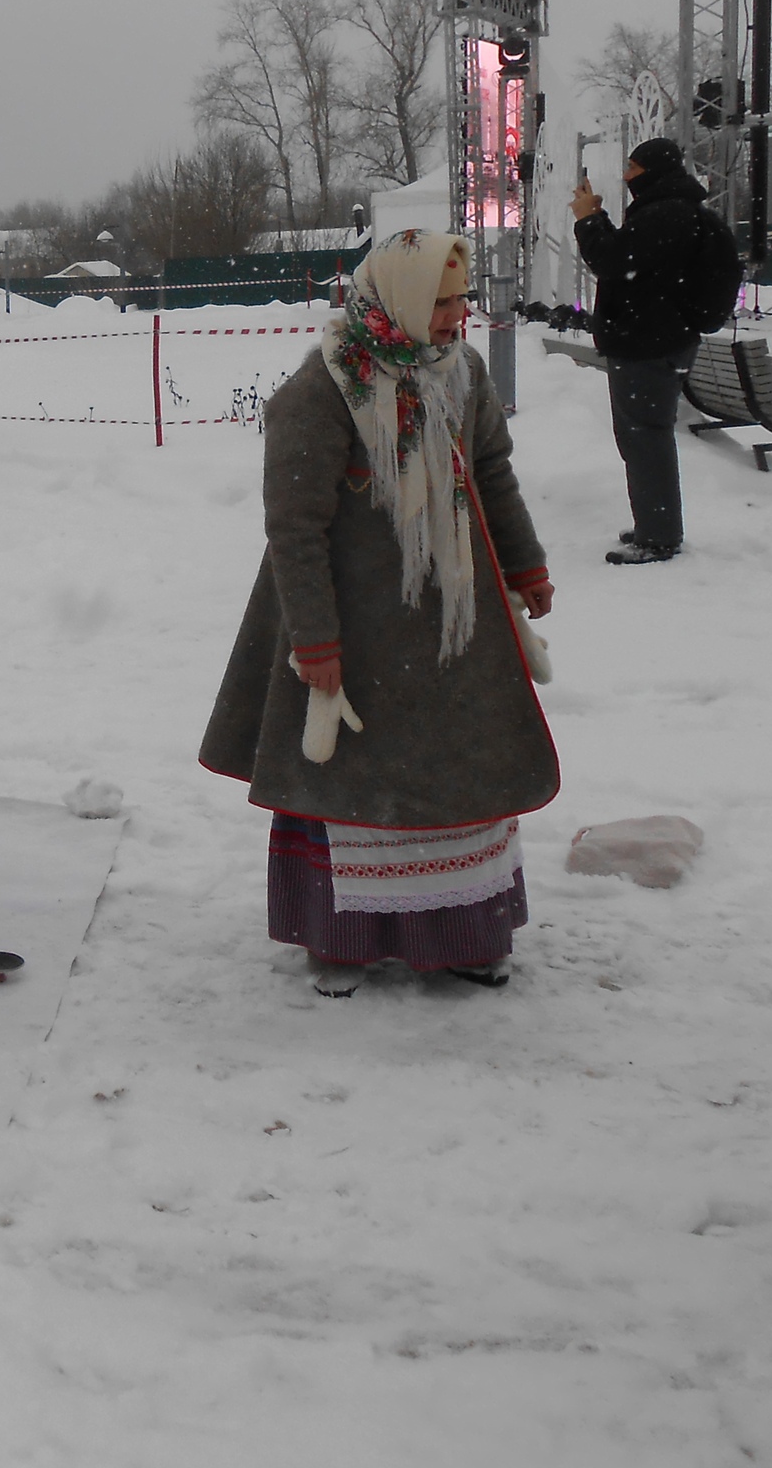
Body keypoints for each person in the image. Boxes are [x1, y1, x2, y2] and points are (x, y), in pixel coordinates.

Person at [200, 229, 557, 994]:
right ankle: (344, 937)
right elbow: (295, 529)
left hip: (452, 630)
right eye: (442, 301)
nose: (459, 315)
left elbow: (489, 470)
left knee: (458, 778)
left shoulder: (461, 374)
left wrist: (525, 565)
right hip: (354, 630)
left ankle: (464, 931)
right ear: (396, 300)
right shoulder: (323, 392)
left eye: (461, 299)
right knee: (352, 787)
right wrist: (314, 642)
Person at [573, 136, 736, 565]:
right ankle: (655, 524)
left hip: (648, 343)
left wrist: (590, 220)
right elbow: (632, 262)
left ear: (652, 170)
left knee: (645, 438)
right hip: (662, 339)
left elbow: (615, 263)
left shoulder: (664, 215)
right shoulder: (676, 211)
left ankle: (659, 535)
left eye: (632, 167)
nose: (626, 175)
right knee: (645, 436)